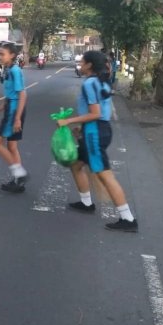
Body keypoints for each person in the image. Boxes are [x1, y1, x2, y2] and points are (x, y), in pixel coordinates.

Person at [56, 50, 138, 232]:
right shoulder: (102, 81)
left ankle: (128, 218)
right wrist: (81, 127)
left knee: (105, 175)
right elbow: (101, 111)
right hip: (97, 129)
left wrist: (68, 121)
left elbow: (95, 113)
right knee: (76, 165)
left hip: (95, 133)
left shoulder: (90, 83)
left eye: (82, 62)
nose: (80, 65)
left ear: (89, 65)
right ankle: (86, 203)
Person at [0, 43, 28, 193]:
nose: (0, 57)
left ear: (12, 55)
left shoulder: (15, 70)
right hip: (11, 108)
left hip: (14, 111)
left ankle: (20, 174)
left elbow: (22, 95)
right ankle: (18, 181)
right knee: (11, 146)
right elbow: (10, 96)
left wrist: (17, 118)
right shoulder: (8, 70)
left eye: (2, 54)